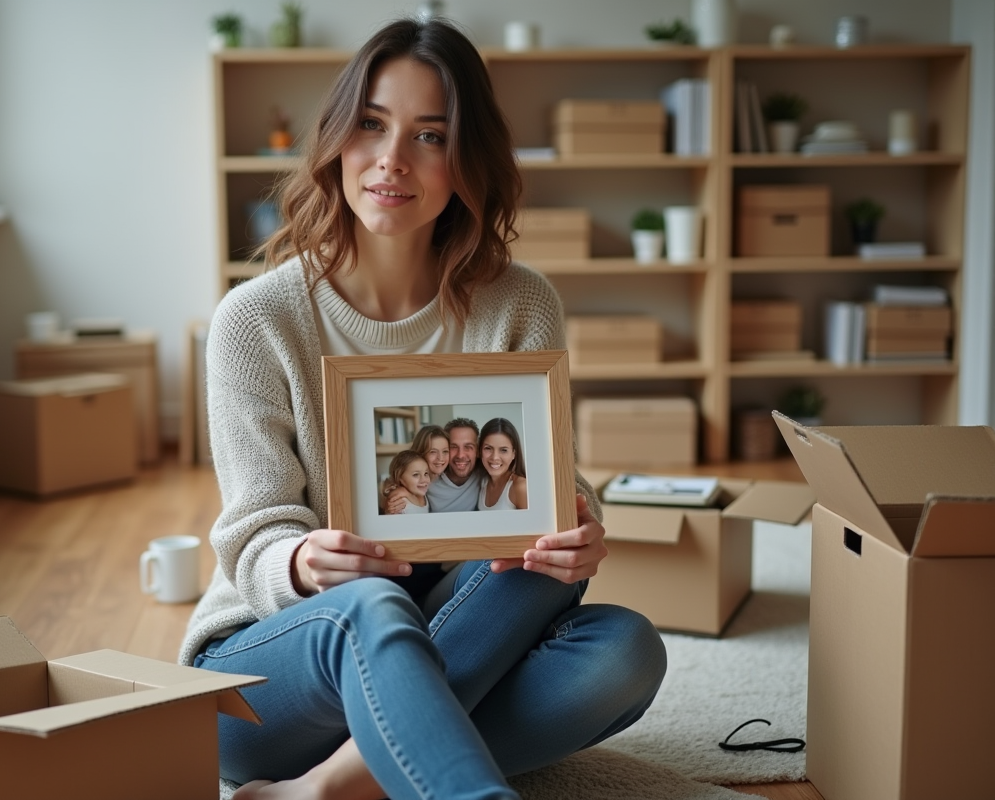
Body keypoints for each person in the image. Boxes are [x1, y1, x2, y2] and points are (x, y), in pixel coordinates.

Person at [181, 17, 666, 800]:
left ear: (465, 161)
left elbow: (542, 492)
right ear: (338, 136)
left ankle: (331, 787)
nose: (392, 160)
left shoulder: (520, 304)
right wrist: (302, 563)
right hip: (273, 680)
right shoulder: (255, 320)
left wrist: (573, 526)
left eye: (430, 135)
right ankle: (434, 763)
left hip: (452, 631)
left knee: (626, 651)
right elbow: (254, 528)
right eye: (371, 124)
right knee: (369, 603)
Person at [387, 417, 480, 514]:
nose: (461, 455)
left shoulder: (482, 471)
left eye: (468, 447)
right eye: (454, 447)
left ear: (477, 451)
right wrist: (396, 494)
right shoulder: (421, 480)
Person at [477, 417, 528, 511]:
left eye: (503, 450)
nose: (495, 457)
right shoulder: (482, 481)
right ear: (480, 451)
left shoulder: (520, 487)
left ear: (514, 454)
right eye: (488, 448)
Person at [380, 449, 431, 513]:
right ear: (400, 477)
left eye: (426, 473)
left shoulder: (420, 493)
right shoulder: (399, 502)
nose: (424, 480)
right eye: (416, 475)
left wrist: (407, 494)